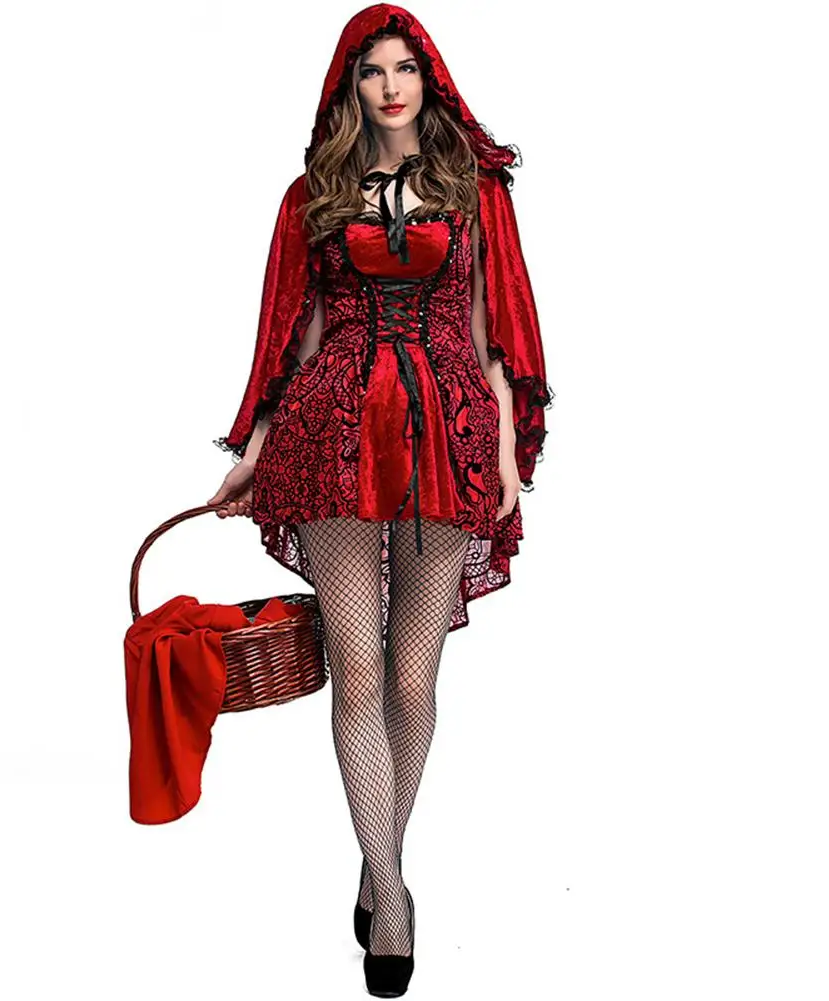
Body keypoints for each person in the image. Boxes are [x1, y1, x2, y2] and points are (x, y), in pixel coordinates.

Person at [208, 5, 553, 995]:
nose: (390, 87)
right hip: (333, 431)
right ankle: (392, 894)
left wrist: (505, 449)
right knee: (355, 669)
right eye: (372, 72)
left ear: (427, 80)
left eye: (405, 69)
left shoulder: (473, 189)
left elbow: (490, 330)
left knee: (411, 678)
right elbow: (297, 332)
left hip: (446, 431)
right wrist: (255, 451)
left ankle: (376, 854)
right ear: (349, 86)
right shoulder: (312, 194)